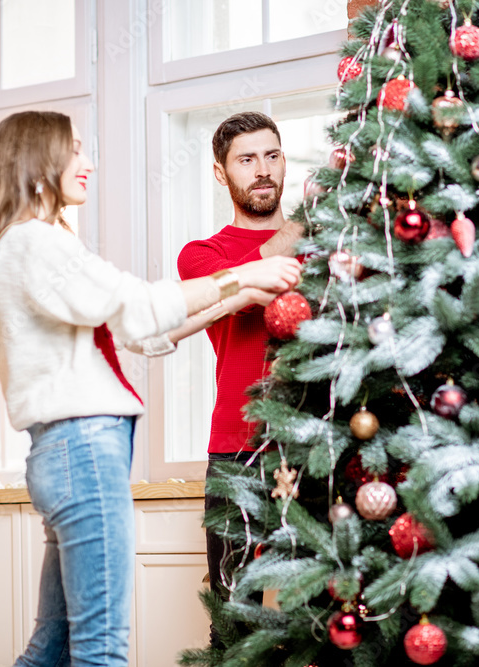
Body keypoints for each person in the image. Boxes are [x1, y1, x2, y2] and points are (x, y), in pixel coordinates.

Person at [0, 110, 301, 667]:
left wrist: (236, 295)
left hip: (71, 452)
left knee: (53, 643)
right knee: (100, 649)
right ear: (38, 163)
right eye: (74, 151)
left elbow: (139, 332)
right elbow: (137, 307)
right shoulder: (35, 244)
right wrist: (243, 277)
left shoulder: (29, 244)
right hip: (83, 450)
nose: (88, 163)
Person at [175, 111, 305, 647]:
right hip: (238, 451)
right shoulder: (203, 256)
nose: (262, 170)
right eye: (246, 159)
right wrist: (309, 223)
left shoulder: (317, 244)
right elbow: (253, 272)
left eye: (272, 156)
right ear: (219, 172)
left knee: (325, 612)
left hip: (316, 445)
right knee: (234, 618)